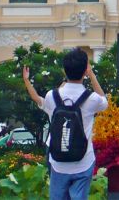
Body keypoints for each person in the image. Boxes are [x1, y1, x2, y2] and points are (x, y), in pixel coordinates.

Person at [23, 49, 108, 200]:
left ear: (64, 70)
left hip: (58, 162)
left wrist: (26, 80)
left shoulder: (52, 96)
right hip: (83, 161)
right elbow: (105, 102)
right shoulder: (92, 99)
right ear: (85, 70)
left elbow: (38, 100)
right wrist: (92, 75)